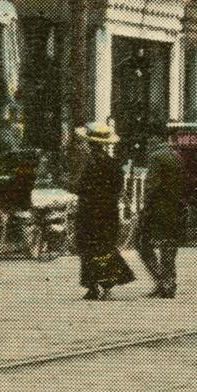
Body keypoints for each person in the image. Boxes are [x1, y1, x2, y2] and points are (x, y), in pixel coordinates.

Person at [72, 122, 133, 300]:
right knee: (105, 246)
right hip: (108, 212)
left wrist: (72, 186)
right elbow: (119, 188)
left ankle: (92, 286)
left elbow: (81, 187)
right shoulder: (114, 165)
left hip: (89, 212)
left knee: (87, 247)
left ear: (91, 144)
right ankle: (107, 286)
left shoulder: (89, 165)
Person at [137, 136, 184, 297]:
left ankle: (161, 282)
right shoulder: (176, 156)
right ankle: (169, 284)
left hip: (157, 210)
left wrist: (145, 208)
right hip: (174, 209)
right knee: (168, 247)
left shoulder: (156, 157)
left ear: (152, 142)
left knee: (142, 243)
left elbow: (152, 186)